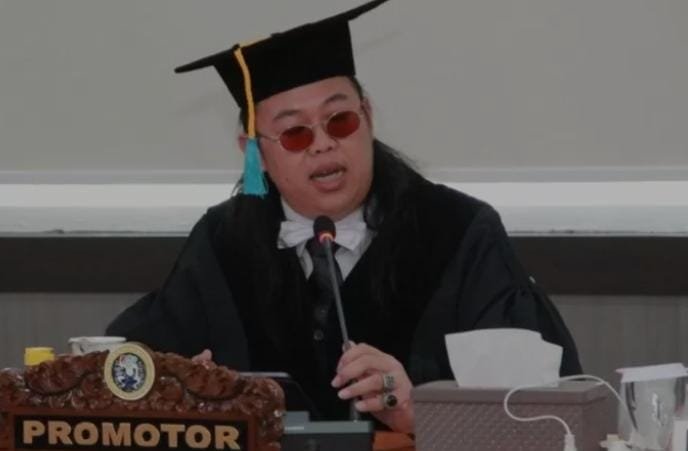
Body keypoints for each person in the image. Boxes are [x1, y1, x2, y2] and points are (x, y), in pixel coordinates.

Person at [107, 0, 581, 434]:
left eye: (340, 121)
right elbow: (127, 371)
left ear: (367, 117)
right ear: (254, 152)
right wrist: (180, 388)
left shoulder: (458, 231)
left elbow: (543, 414)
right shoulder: (222, 241)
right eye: (294, 133)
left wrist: (420, 412)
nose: (323, 144)